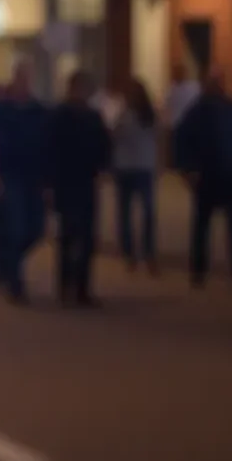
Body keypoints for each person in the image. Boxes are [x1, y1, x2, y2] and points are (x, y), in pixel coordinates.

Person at [175, 67, 232, 291]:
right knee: (205, 225)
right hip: (211, 175)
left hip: (229, 174)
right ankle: (201, 269)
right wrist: (188, 170)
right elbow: (182, 141)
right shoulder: (199, 111)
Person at [0, 61, 50, 305]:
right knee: (15, 226)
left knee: (36, 229)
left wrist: (48, 181)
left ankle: (9, 262)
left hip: (34, 177)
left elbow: (46, 146)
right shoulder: (1, 110)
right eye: (20, 78)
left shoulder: (38, 110)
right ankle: (15, 282)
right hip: (9, 175)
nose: (24, 83)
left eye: (28, 78)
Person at [50, 71, 111, 307]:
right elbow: (51, 149)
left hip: (86, 182)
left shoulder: (93, 116)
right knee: (68, 236)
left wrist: (102, 167)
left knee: (86, 237)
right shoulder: (60, 116)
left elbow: (104, 145)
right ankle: (65, 285)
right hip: (66, 183)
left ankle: (82, 288)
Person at [113, 78, 160, 272]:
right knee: (134, 213)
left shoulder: (141, 116)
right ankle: (136, 253)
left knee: (138, 213)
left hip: (136, 167)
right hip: (133, 167)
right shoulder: (129, 115)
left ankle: (140, 253)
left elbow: (160, 139)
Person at [163, 64, 200, 165]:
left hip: (190, 127)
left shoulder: (194, 88)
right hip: (176, 126)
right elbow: (167, 109)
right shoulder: (171, 90)